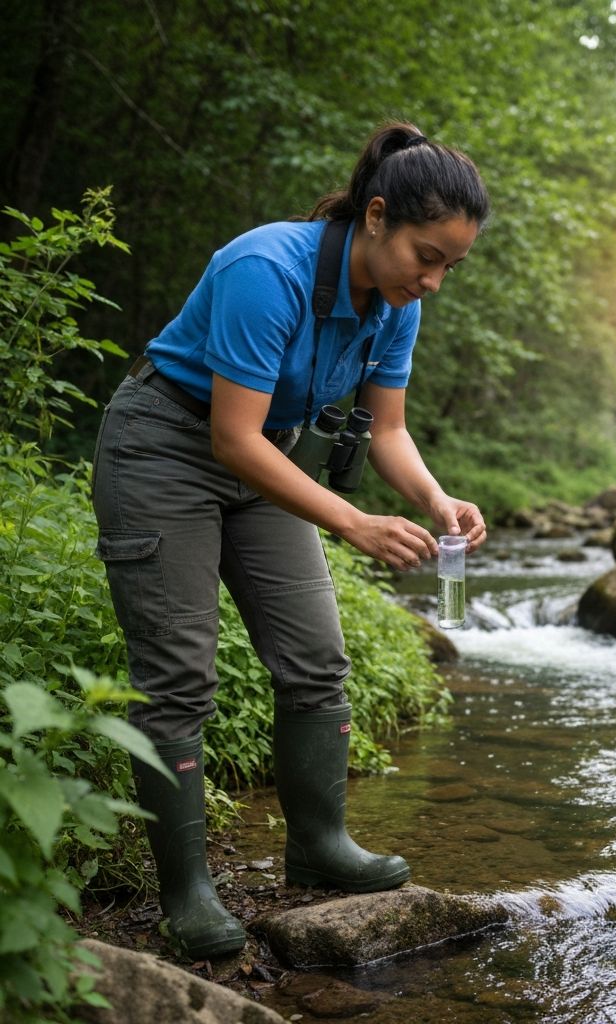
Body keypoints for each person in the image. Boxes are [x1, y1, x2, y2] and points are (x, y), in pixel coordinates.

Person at [90, 121, 490, 960]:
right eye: (428, 255)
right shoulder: (264, 269)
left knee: (316, 660)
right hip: (166, 447)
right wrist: (353, 521)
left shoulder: (396, 304)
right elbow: (232, 438)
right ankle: (187, 893)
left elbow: (388, 430)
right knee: (178, 678)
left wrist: (432, 498)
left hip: (265, 457)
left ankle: (317, 846)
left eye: (452, 264)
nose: (436, 280)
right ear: (376, 217)